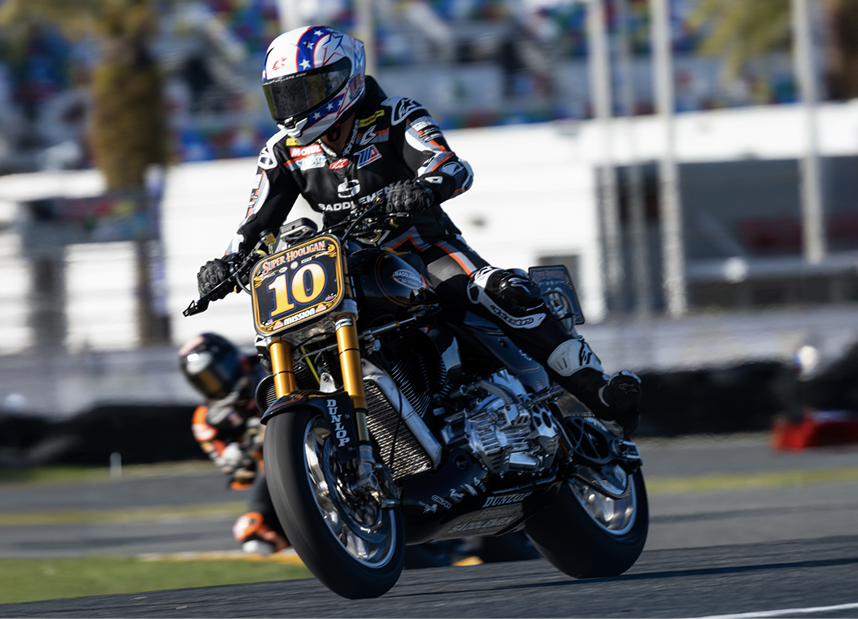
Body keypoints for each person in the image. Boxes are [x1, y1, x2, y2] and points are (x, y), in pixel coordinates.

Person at [196, 25, 641, 435]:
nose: (294, 107)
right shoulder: (284, 150)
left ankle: (596, 390)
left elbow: (449, 165)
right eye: (285, 96)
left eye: (305, 91)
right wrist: (225, 263)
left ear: (343, 79)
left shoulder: (396, 115)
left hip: (422, 246)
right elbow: (256, 222)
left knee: (498, 289)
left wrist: (421, 187)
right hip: (343, 262)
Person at [178, 333, 289, 556]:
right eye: (205, 380)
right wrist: (239, 458)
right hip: (281, 469)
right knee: (251, 533)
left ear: (232, 360)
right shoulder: (207, 419)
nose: (215, 384)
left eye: (216, 374)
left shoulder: (271, 361)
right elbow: (242, 478)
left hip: (326, 427)